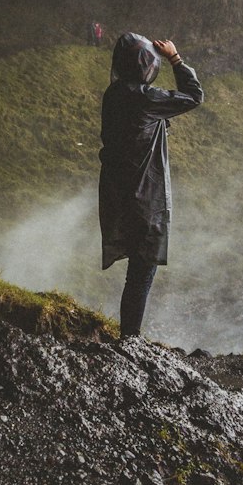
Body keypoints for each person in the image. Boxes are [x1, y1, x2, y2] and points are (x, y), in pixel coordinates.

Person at [99, 33, 203, 339]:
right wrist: (176, 58)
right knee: (142, 272)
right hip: (144, 196)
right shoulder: (146, 99)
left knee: (137, 269)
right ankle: (130, 338)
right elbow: (194, 95)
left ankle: (129, 335)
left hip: (118, 193)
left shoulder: (114, 94)